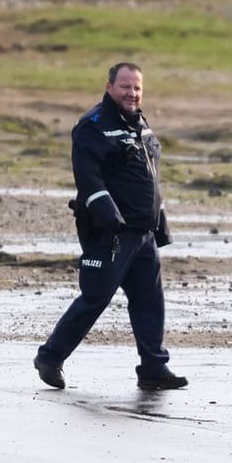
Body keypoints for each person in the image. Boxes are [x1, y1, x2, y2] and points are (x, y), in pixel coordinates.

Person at [34, 62, 187, 391]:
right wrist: (110, 219)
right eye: (125, 87)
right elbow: (88, 178)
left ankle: (153, 369)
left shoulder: (141, 125)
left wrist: (160, 224)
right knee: (95, 298)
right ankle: (50, 357)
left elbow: (150, 179)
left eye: (137, 88)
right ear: (109, 88)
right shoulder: (93, 127)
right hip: (111, 234)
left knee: (150, 301)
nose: (132, 93)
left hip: (143, 234)